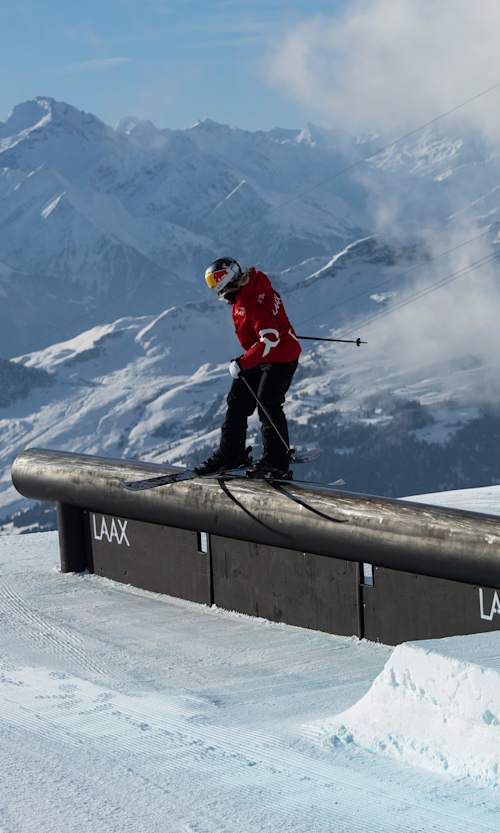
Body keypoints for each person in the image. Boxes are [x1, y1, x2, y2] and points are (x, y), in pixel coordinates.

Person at [195, 256, 301, 479]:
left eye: (217, 286)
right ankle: (231, 454)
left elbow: (270, 339)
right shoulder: (253, 288)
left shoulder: (249, 302)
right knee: (238, 401)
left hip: (279, 358)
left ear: (227, 281)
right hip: (261, 355)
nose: (218, 293)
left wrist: (243, 362)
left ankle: (276, 463)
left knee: (268, 403)